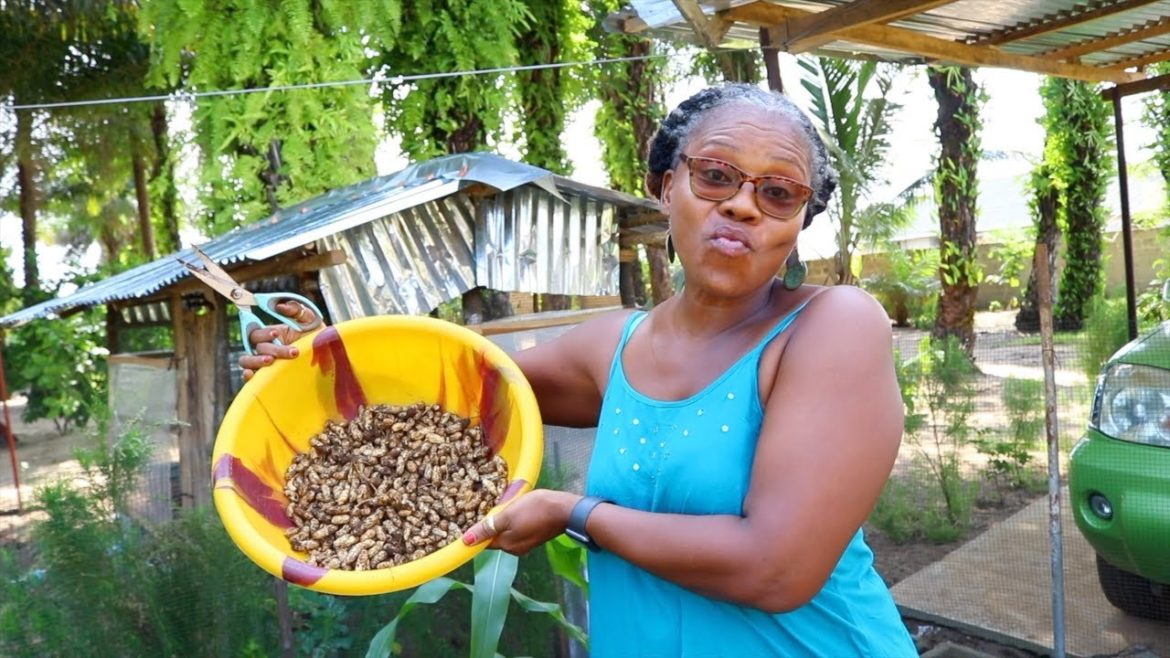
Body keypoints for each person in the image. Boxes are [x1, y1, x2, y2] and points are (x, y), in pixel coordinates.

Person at [242, 83, 916, 657]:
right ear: (664, 186)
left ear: (798, 223)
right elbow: (439, 380)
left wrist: (577, 513)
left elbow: (777, 569)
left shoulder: (832, 328)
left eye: (778, 193)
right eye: (715, 175)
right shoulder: (613, 346)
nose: (742, 205)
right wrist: (317, 360)